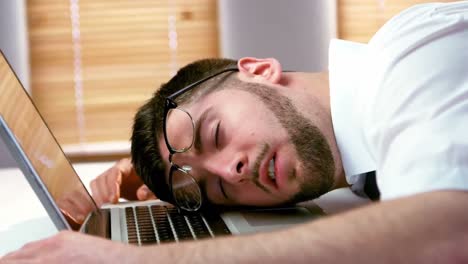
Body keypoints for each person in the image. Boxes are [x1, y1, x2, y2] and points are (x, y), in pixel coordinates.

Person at [2, 1, 468, 263]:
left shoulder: (409, 57)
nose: (234, 170)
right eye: (216, 187)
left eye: (217, 132)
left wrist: (131, 260)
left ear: (260, 69)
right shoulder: (364, 167)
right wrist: (171, 172)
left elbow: (447, 233)